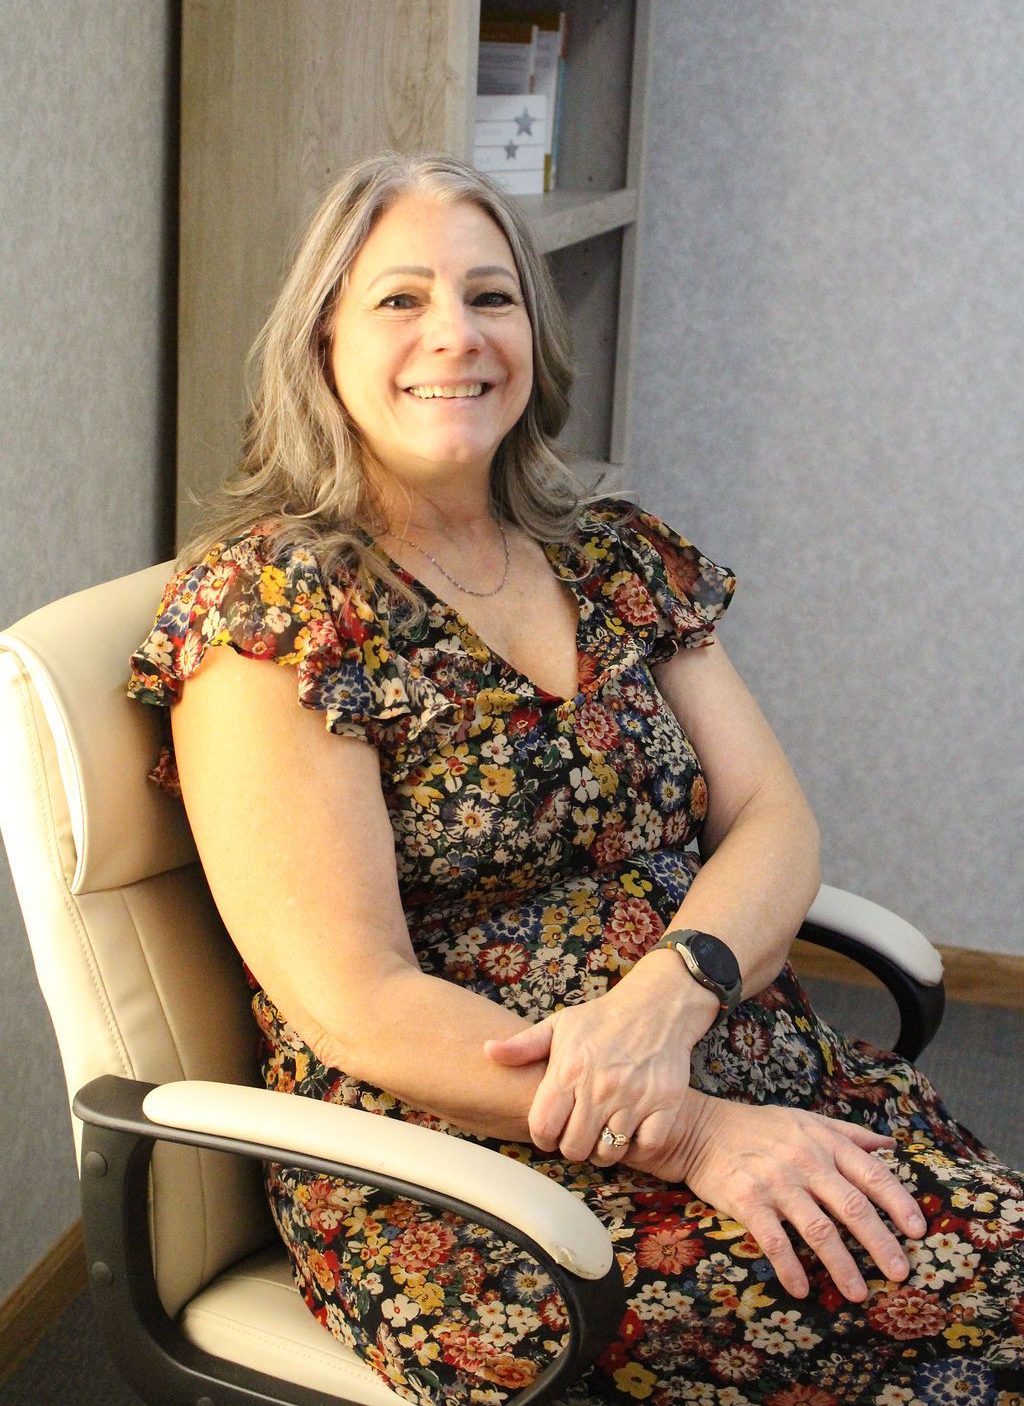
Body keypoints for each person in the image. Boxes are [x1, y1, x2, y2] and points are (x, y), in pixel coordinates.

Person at [128, 152, 1022, 1406]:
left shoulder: (609, 553)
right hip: (482, 1176)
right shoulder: (276, 608)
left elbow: (771, 819)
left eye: (490, 296)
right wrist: (690, 1131)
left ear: (534, 337)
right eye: (399, 299)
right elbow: (355, 1001)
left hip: (747, 1062)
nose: (456, 334)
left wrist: (676, 991)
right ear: (321, 342)